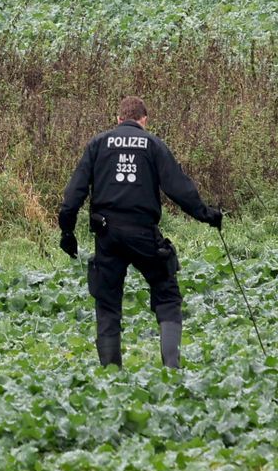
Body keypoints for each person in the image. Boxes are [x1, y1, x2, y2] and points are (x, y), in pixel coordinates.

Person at [57, 96, 222, 368]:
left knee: (108, 303)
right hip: (144, 234)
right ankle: (171, 368)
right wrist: (207, 215)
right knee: (167, 294)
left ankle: (111, 374)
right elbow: (178, 188)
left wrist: (67, 232)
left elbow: (74, 193)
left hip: (107, 235)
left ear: (118, 119)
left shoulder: (98, 144)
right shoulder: (153, 144)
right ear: (144, 120)